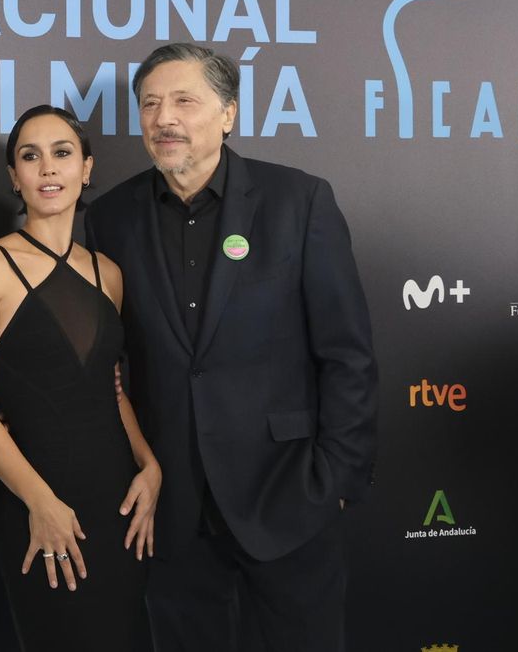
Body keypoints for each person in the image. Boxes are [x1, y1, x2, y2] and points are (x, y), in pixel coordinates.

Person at [86, 43, 378, 652]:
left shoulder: (299, 202)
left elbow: (346, 353)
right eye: (150, 104)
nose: (165, 118)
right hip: (171, 512)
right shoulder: (110, 218)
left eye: (184, 101)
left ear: (228, 114)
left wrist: (337, 480)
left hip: (290, 497)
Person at [0, 104, 160, 651]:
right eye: (30, 156)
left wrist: (149, 464)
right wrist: (40, 503)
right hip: (34, 503)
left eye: (62, 154)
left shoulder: (107, 272)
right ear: (14, 177)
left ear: (86, 169)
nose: (47, 169)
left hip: (118, 505)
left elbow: (111, 389)